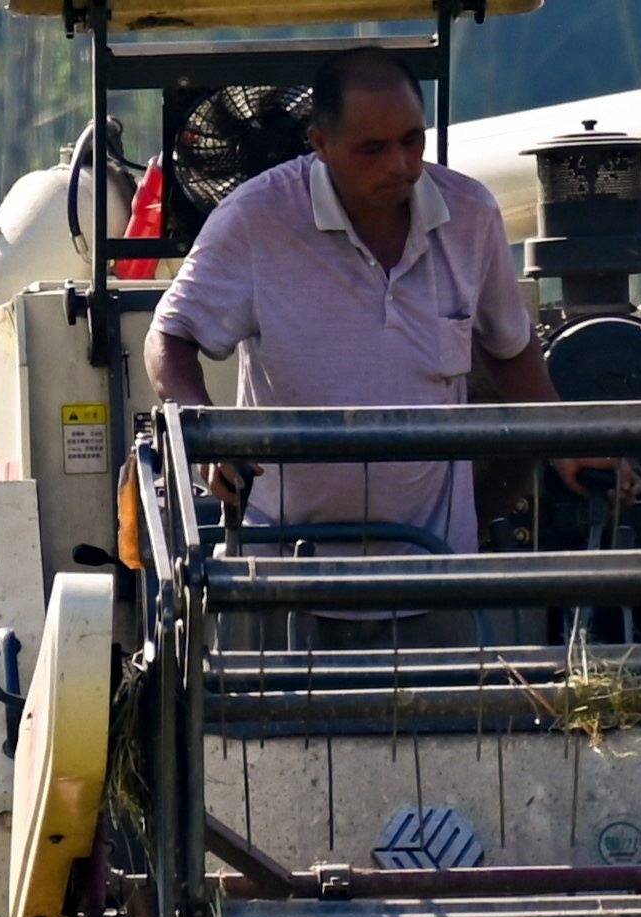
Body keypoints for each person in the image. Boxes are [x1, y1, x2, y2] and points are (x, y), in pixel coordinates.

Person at [146, 48, 599, 549]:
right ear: (320, 143)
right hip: (285, 564)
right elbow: (169, 335)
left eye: (411, 141)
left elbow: (510, 349)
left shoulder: (471, 215)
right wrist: (203, 431)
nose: (400, 166)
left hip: (436, 563)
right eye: (372, 150)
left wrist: (568, 443)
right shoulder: (255, 219)